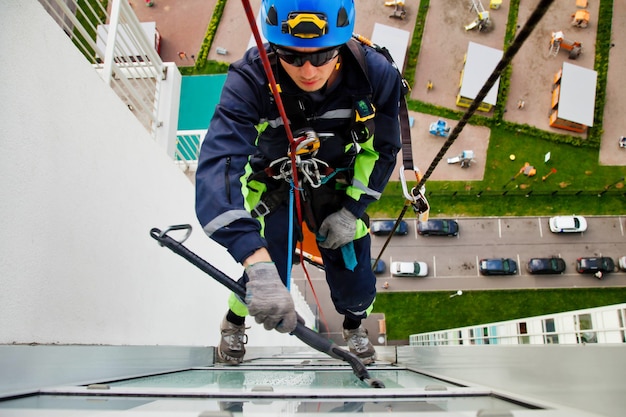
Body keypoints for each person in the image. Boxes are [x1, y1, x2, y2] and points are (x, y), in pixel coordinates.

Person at [195, 0, 403, 365]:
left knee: (356, 280)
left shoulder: (373, 74)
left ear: (341, 43)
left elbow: (383, 149)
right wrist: (254, 259)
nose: (308, 71)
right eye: (291, 56)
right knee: (263, 268)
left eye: (323, 56)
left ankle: (354, 324)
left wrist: (353, 209)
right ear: (273, 47)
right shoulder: (252, 80)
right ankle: (233, 321)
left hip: (338, 187)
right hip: (275, 186)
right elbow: (219, 166)